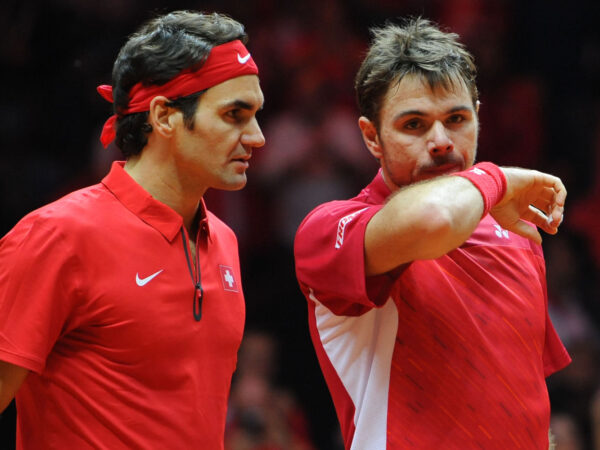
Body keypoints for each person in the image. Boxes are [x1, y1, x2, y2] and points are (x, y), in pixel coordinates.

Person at [293, 17, 570, 450]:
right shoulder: (331, 229)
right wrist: (495, 177)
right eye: (414, 125)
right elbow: (433, 220)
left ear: (478, 116)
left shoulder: (516, 231)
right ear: (372, 137)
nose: (441, 141)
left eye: (456, 118)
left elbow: (526, 401)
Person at [0, 10, 264, 449]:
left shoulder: (225, 240)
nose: (256, 136)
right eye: (235, 115)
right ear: (164, 117)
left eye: (255, 115)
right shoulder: (57, 235)